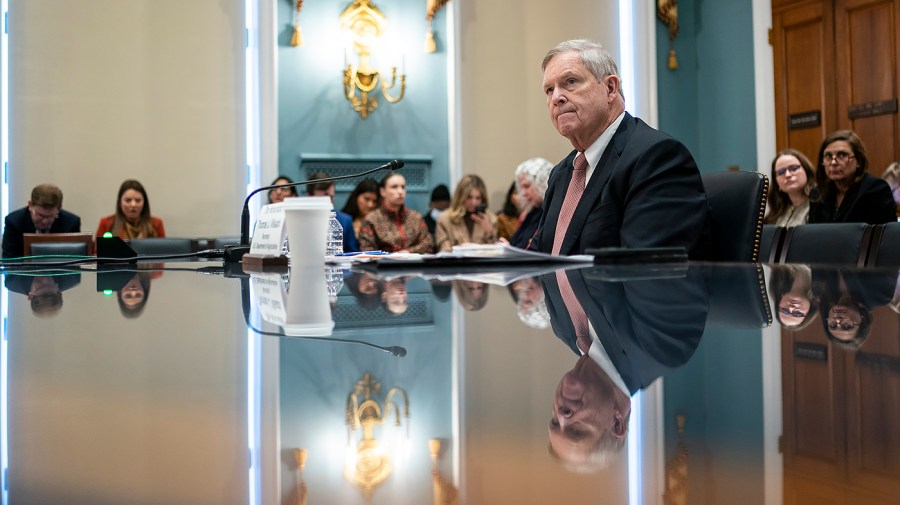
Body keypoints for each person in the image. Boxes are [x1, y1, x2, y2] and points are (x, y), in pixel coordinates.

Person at [533, 39, 710, 258]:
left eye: (570, 82)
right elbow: (540, 257)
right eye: (549, 90)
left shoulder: (657, 158)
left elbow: (645, 269)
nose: (556, 98)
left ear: (610, 88)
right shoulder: (561, 173)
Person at [542, 266, 708, 471]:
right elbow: (647, 244)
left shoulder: (563, 328)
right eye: (577, 430)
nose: (562, 415)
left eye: (554, 423)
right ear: (616, 422)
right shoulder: (661, 347)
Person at [808, 130, 896, 224]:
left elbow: (885, 234)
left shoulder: (875, 189)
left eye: (842, 155)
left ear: (858, 160)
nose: (833, 163)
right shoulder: (818, 193)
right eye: (828, 156)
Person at [358, 173, 435, 253]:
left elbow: (428, 245)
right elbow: (367, 250)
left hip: (414, 264)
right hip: (384, 264)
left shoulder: (415, 217)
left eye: (403, 187)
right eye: (394, 187)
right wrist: (394, 256)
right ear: (382, 191)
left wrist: (408, 252)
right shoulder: (371, 220)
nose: (400, 191)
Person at [2, 184, 82, 258]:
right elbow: (9, 262)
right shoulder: (14, 222)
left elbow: (74, 262)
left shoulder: (71, 223)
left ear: (59, 208)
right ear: (30, 205)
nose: (45, 221)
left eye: (50, 216)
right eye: (40, 215)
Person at [434, 174, 498, 252]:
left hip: (482, 263)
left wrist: (489, 232)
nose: (473, 202)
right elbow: (444, 249)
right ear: (461, 196)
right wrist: (460, 248)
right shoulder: (444, 219)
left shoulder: (491, 218)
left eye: (478, 198)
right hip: (457, 262)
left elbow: (495, 251)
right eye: (469, 197)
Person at [306, 171, 359, 252]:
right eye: (325, 197)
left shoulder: (345, 221)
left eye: (332, 197)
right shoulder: (300, 220)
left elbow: (353, 254)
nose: (330, 202)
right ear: (310, 197)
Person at [507, 157, 553, 249]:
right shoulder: (532, 212)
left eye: (527, 186)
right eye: (521, 188)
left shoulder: (551, 212)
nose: (523, 193)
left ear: (542, 183)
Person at [96, 180, 165, 239]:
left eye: (138, 200)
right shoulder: (106, 223)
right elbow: (97, 253)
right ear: (120, 202)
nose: (133, 205)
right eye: (128, 200)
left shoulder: (156, 224)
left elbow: (163, 251)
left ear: (144, 202)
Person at [765, 149, 816, 226]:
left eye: (794, 168)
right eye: (781, 172)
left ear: (806, 170)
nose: (788, 175)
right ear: (776, 183)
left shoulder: (818, 207)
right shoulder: (775, 214)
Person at [4, 272, 81, 317]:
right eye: (49, 284)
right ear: (58, 290)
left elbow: (10, 248)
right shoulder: (72, 277)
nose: (45, 279)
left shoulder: (13, 281)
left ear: (30, 295)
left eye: (39, 286)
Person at [768, 264, 818, 330]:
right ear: (810, 311)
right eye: (798, 313)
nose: (791, 308)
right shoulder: (826, 278)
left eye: (785, 310)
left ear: (779, 300)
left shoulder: (774, 262)